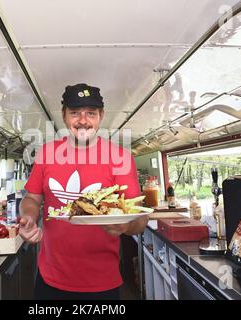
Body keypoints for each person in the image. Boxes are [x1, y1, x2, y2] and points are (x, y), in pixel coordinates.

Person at [19, 83, 148, 300]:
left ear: (101, 116)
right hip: (50, 278)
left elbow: (140, 219)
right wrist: (29, 217)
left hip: (102, 283)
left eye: (91, 113)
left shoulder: (121, 157)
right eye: (75, 113)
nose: (83, 121)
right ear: (64, 115)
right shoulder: (47, 153)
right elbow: (31, 198)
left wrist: (126, 225)